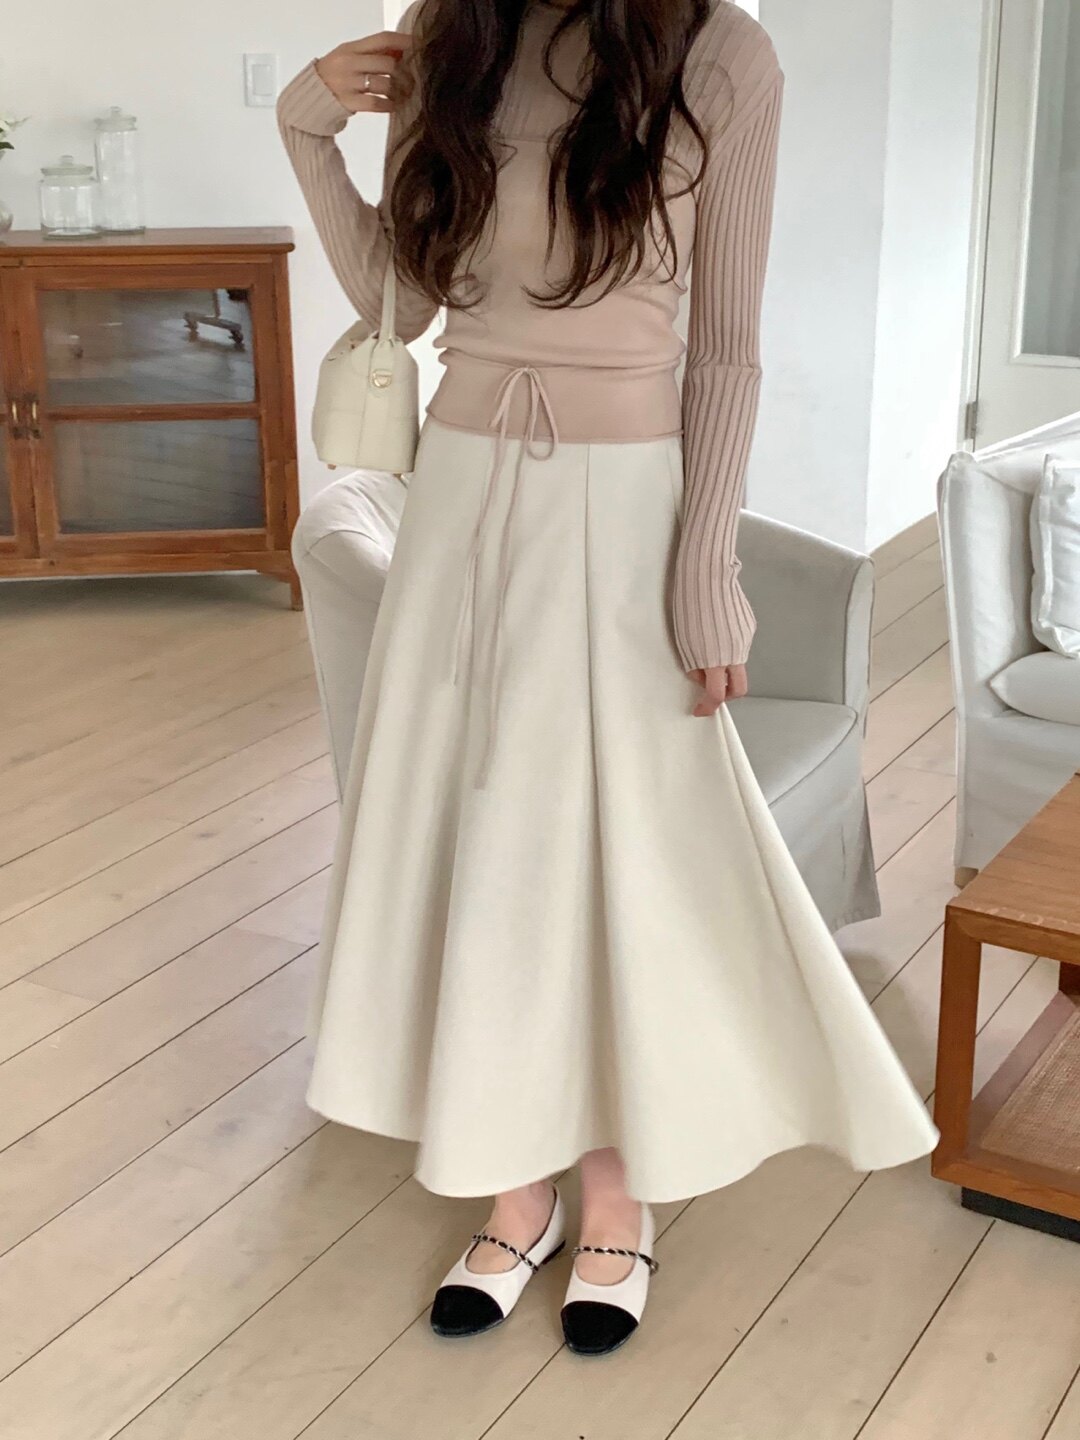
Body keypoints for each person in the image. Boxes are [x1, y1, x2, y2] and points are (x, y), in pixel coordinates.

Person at [277, 0, 938, 1358]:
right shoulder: (450, 32)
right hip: (462, 502)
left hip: (627, 510)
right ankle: (515, 1191)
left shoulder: (720, 52)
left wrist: (707, 566)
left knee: (628, 854)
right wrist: (306, 128)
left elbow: (728, 347)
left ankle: (620, 1194)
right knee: (485, 844)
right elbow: (404, 299)